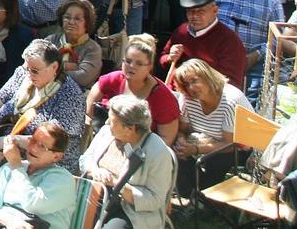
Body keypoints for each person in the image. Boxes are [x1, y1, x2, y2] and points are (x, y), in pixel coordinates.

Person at [0, 40, 85, 212]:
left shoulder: (70, 95)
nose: (29, 74)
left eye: (35, 70)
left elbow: (49, 142)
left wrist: (11, 141)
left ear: (54, 67)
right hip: (6, 155)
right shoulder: (22, 75)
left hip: (44, 163)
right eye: (27, 68)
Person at [78, 95, 177, 229]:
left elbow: (155, 200)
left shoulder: (157, 153)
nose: (107, 122)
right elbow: (85, 159)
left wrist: (116, 184)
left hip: (129, 210)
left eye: (112, 121)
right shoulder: (107, 132)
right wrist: (95, 170)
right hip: (94, 196)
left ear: (130, 128)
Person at [210, 0, 283, 103]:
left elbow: (279, 37)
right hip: (218, 61)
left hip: (254, 63)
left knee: (249, 106)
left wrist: (256, 56)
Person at [169, 58, 248, 196]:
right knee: (177, 151)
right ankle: (191, 194)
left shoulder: (230, 100)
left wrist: (195, 149)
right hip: (204, 139)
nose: (191, 88)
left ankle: (208, 197)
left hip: (236, 148)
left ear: (207, 76)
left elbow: (230, 144)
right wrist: (181, 141)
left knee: (216, 160)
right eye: (186, 84)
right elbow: (182, 130)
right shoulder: (187, 98)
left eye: (194, 81)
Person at [86, 36, 181, 147]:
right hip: (105, 140)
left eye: (139, 63)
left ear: (149, 67)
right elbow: (90, 102)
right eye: (128, 61)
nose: (132, 66)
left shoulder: (163, 98)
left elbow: (166, 139)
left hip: (142, 151)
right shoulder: (114, 79)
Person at [158, 0, 246, 90]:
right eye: (190, 12)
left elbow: (231, 84)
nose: (195, 16)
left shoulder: (229, 41)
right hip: (176, 93)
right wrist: (169, 58)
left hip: (208, 100)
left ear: (215, 11)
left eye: (201, 11)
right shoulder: (181, 31)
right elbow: (162, 59)